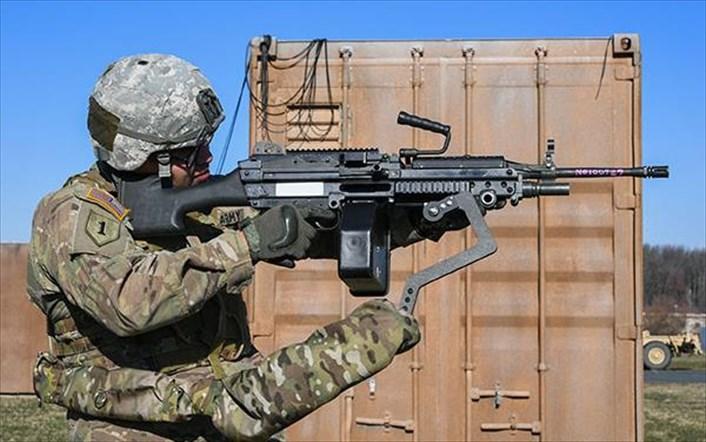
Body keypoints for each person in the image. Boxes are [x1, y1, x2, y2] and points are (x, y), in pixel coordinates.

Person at [27, 54, 450, 441]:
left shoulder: (197, 209)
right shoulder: (70, 213)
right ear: (144, 156)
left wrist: (420, 217)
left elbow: (308, 235)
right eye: (191, 153)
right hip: (132, 426)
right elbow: (129, 302)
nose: (208, 158)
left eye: (207, 144)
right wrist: (248, 244)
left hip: (222, 414)